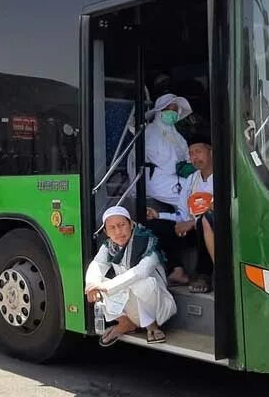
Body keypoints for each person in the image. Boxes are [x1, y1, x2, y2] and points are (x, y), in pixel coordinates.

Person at [85, 206, 176, 346]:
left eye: (122, 225)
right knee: (97, 282)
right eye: (112, 228)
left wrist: (105, 287)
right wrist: (91, 284)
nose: (118, 232)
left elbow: (140, 272)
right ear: (106, 232)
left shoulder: (148, 242)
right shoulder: (110, 246)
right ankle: (125, 322)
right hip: (131, 303)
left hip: (156, 306)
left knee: (140, 282)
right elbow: (97, 264)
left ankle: (151, 325)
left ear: (131, 225)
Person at [146, 135, 216, 293]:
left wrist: (192, 223)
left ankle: (204, 274)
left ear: (211, 152)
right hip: (192, 230)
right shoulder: (191, 180)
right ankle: (177, 270)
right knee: (155, 226)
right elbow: (183, 214)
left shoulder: (224, 176)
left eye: (198, 151)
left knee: (204, 220)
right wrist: (160, 216)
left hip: (216, 229)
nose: (194, 157)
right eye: (191, 153)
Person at [129, 94, 193, 211]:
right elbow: (163, 161)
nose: (172, 112)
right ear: (159, 111)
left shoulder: (178, 136)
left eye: (175, 110)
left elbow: (187, 155)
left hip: (174, 179)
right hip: (154, 180)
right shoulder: (150, 132)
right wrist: (181, 167)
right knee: (195, 192)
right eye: (168, 109)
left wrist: (190, 167)